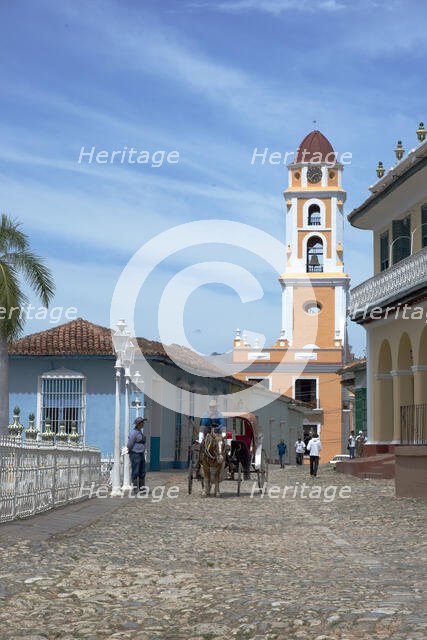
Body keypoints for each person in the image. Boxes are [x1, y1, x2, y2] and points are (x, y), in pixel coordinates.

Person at [127, 417, 147, 492]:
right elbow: (130, 443)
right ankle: (135, 488)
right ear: (139, 424)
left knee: (142, 470)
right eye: (142, 422)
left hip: (141, 453)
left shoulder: (139, 431)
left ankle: (142, 487)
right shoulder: (134, 432)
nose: (143, 424)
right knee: (135, 471)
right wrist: (129, 450)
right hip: (135, 453)